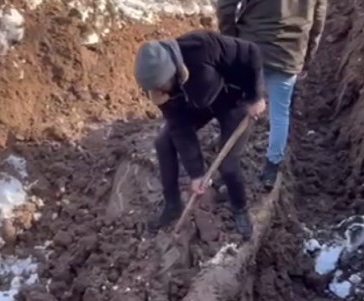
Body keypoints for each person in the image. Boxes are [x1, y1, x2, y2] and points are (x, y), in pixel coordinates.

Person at [133, 30, 266, 239]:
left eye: (163, 86)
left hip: (232, 100)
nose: (162, 92)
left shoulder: (201, 46)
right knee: (163, 142)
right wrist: (196, 173)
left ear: (175, 71)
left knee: (228, 164)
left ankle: (240, 209)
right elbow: (179, 126)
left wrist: (255, 96)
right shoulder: (156, 89)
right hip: (198, 105)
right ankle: (172, 204)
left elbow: (251, 52)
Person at [217, 0, 328, 191]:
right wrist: (306, 57)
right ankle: (271, 170)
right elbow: (318, 21)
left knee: (238, 110)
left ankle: (228, 171)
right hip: (289, 53)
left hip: (249, 48)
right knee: (280, 114)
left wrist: (231, 42)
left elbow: (226, 7)